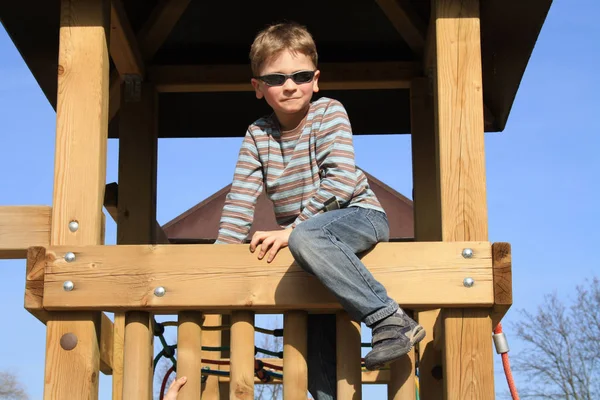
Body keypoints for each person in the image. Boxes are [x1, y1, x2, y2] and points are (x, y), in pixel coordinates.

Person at [215, 22, 425, 399]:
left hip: (357, 216)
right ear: (258, 88)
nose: (290, 85)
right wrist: (214, 265)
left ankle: (388, 318)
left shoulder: (328, 113)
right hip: (310, 251)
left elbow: (341, 181)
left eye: (300, 75)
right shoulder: (257, 136)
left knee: (309, 236)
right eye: (276, 78)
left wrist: (293, 229)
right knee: (315, 368)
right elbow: (239, 203)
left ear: (316, 80)